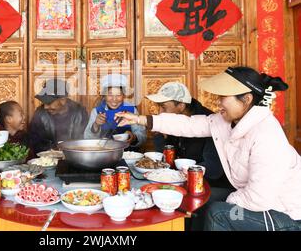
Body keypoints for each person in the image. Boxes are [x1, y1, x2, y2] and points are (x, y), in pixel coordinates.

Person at [116, 67, 301, 231]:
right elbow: (188, 125)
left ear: (246, 99)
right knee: (199, 198)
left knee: (217, 212)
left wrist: (228, 203)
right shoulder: (227, 121)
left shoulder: (266, 133)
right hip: (256, 199)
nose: (219, 103)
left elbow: (259, 198)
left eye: (224, 97)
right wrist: (140, 119)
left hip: (282, 213)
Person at [148, 82, 230, 188]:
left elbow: (213, 170)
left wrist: (178, 176)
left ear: (181, 105)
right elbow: (165, 158)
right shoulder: (171, 122)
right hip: (181, 180)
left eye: (163, 107)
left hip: (209, 186)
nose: (160, 112)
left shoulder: (211, 123)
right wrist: (159, 135)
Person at [84, 74, 146, 150]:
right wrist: (96, 125)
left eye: (118, 95)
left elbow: (142, 137)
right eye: (110, 94)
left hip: (127, 155)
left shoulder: (131, 110)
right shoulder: (97, 111)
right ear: (104, 95)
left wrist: (133, 137)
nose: (114, 99)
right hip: (104, 153)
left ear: (123, 95)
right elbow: (87, 138)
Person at [28, 78, 88, 154]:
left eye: (49, 102)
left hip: (74, 159)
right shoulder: (40, 114)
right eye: (44, 102)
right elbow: (34, 141)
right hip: (47, 161)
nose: (45, 107)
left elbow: (85, 140)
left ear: (63, 99)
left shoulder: (79, 113)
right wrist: (53, 149)